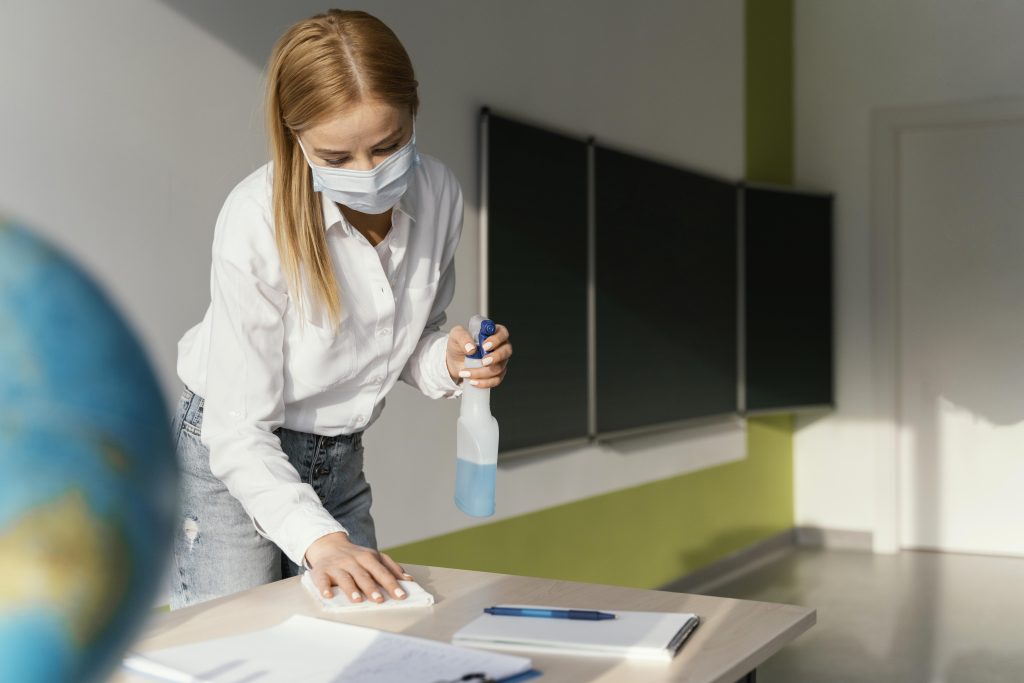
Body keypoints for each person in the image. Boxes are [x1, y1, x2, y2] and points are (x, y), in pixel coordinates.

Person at [170, 9, 512, 610]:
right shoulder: (256, 220)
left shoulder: (439, 196)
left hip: (339, 454)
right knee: (235, 646)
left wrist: (451, 360)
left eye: (388, 145)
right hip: (234, 453)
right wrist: (322, 541)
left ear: (414, 112)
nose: (369, 173)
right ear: (294, 136)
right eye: (336, 158)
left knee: (365, 635)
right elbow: (238, 430)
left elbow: (405, 341)